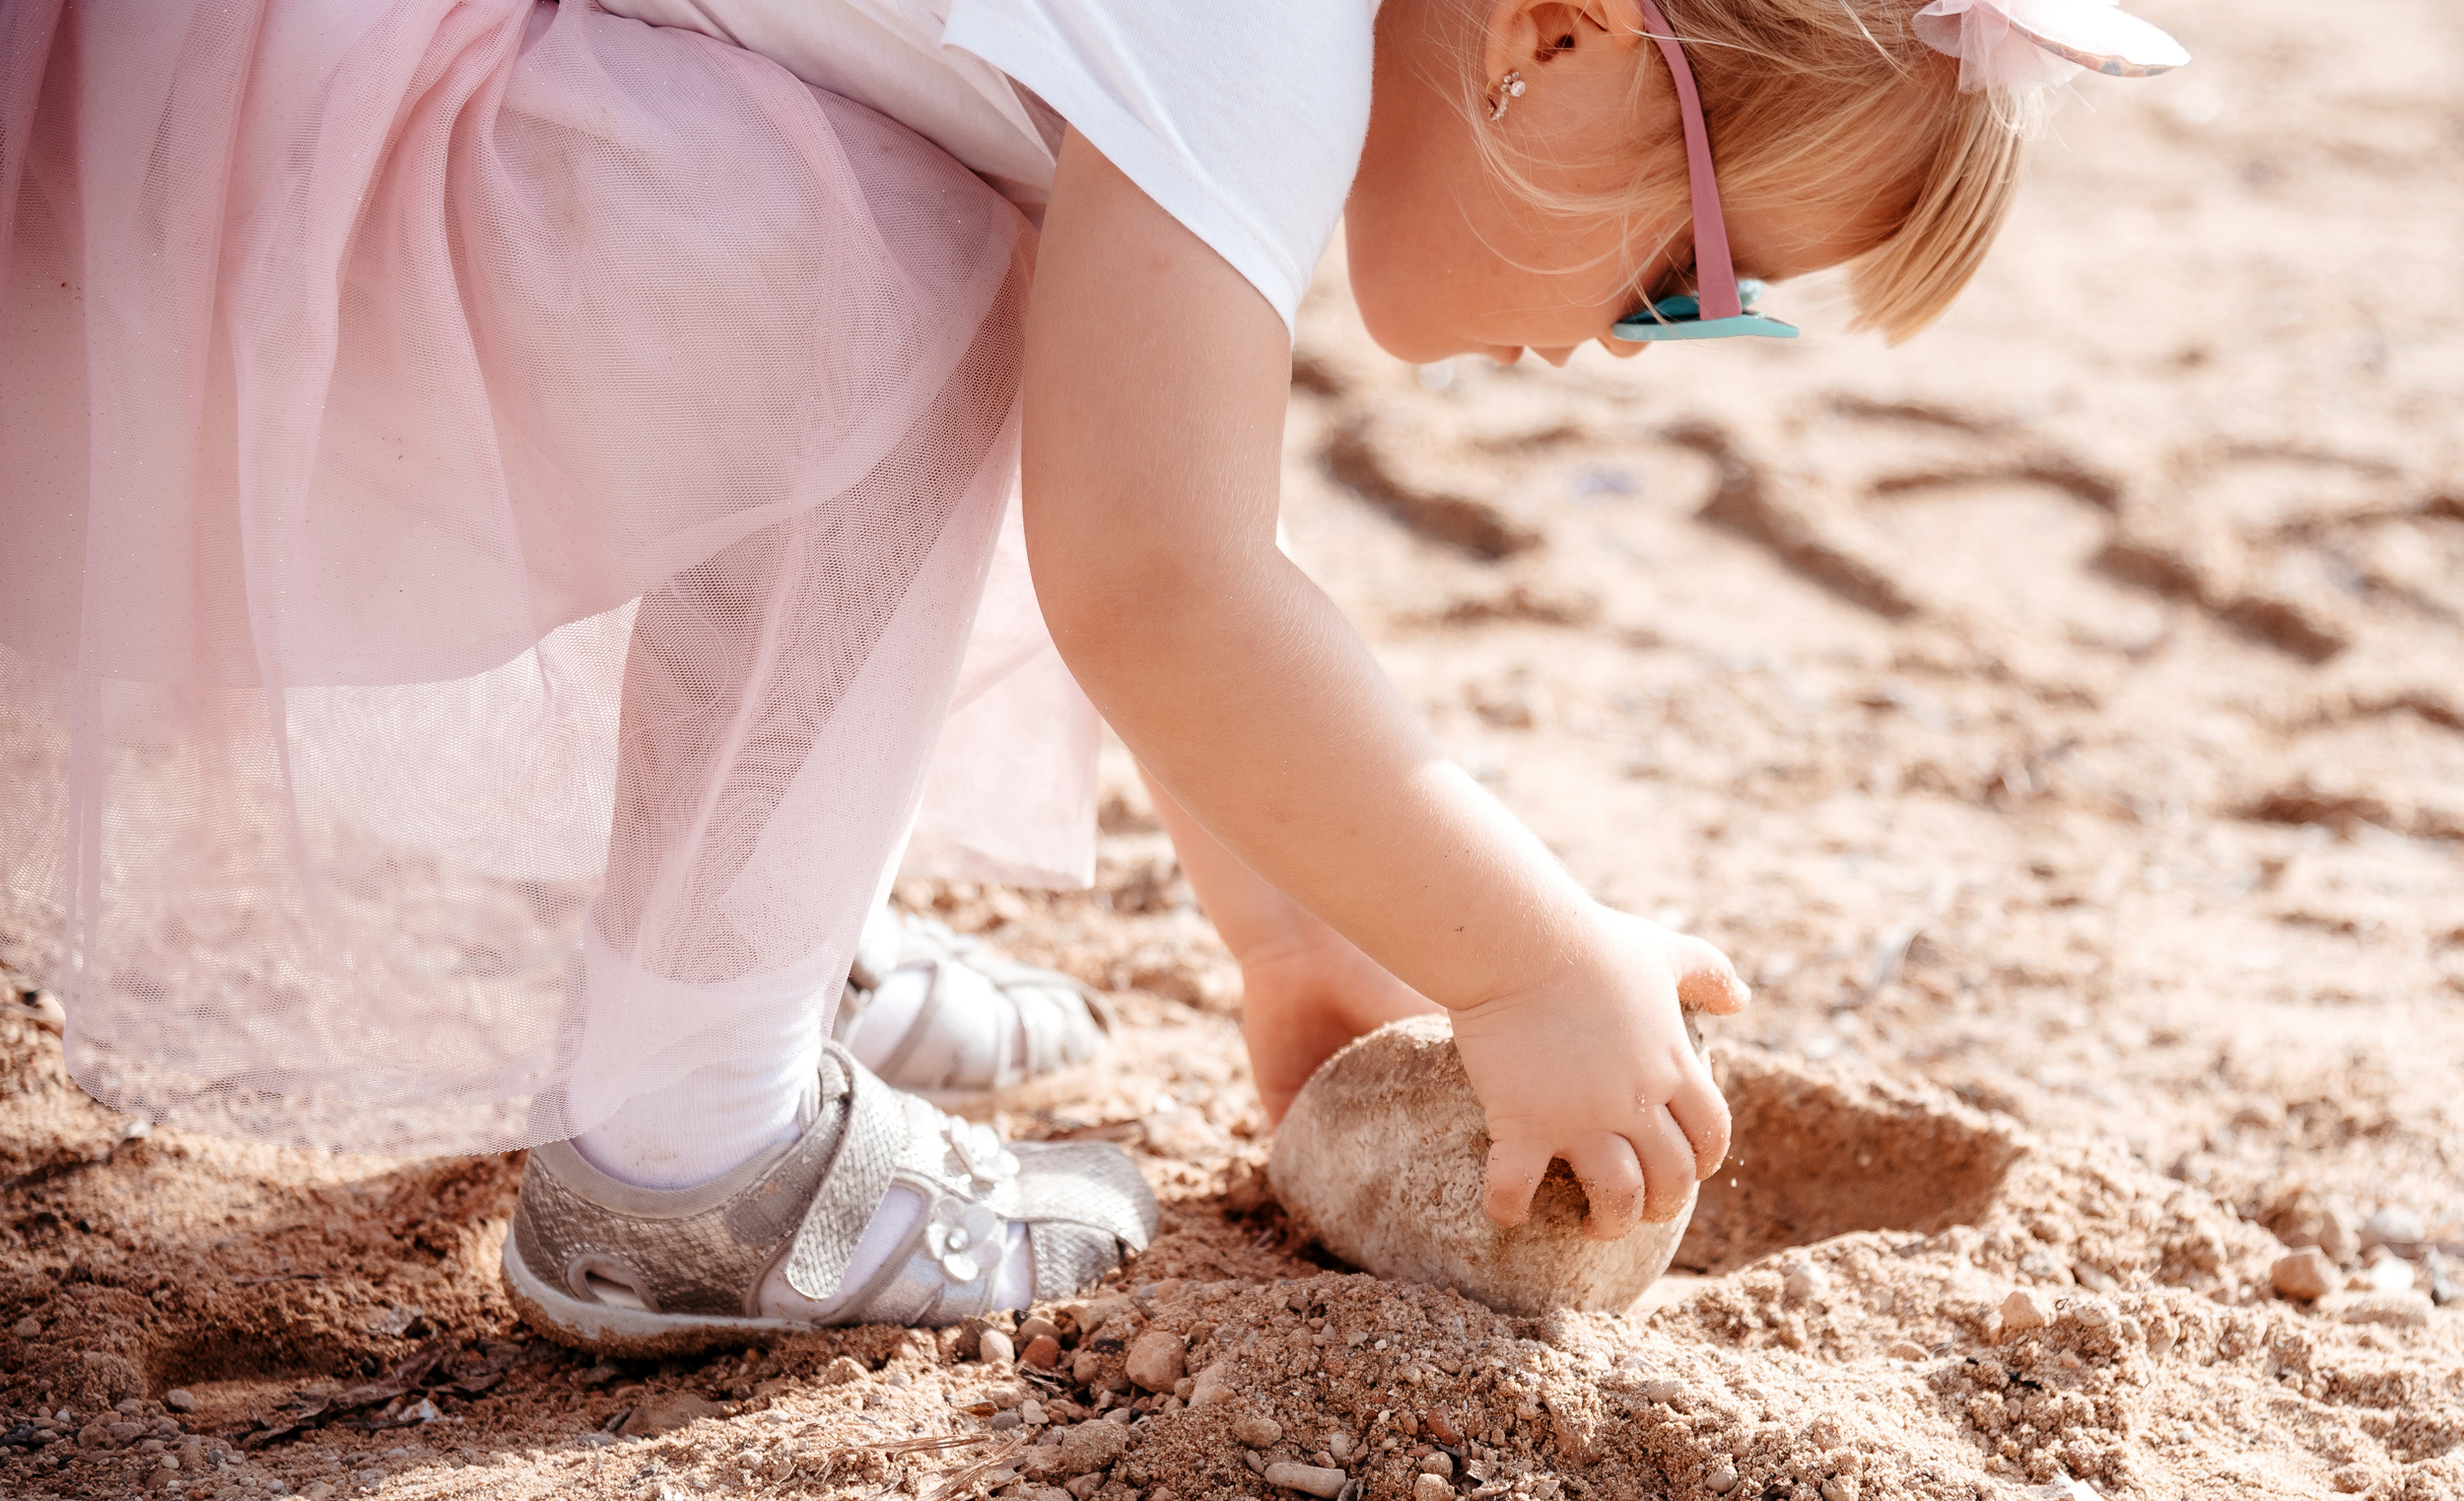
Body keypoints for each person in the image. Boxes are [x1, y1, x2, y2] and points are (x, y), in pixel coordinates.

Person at [0, 0, 2183, 1348]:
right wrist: (1526, 967)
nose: (1648, 344)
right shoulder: (1246, 21)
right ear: (1555, 34)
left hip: (360, 96)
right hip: (281, 138)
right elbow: (1158, 574)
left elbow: (1165, 502)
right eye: (1698, 280)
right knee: (921, 251)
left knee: (964, 233)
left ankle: (751, 937)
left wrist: (1300, 931)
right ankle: (689, 1129)